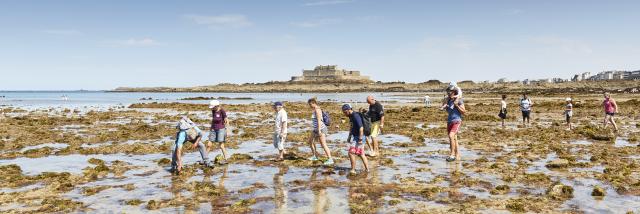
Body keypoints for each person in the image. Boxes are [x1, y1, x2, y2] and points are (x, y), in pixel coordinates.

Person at [342, 104, 370, 174]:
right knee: (361, 154)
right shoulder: (351, 116)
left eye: (345, 112)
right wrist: (349, 136)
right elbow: (352, 127)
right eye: (343, 112)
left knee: (351, 153)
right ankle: (367, 169)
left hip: (359, 137)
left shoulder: (355, 116)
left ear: (349, 109)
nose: (344, 114)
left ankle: (353, 170)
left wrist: (360, 139)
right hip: (356, 137)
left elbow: (361, 128)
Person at [307, 97, 334, 165]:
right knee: (310, 142)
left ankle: (330, 159)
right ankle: (315, 156)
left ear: (314, 103)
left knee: (323, 144)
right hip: (315, 129)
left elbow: (319, 120)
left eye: (310, 104)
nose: (309, 106)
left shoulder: (317, 110)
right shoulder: (314, 109)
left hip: (321, 129)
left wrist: (319, 131)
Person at [443, 87, 466, 162]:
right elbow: (449, 112)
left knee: (451, 135)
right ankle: (456, 155)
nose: (449, 93)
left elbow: (464, 112)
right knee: (452, 139)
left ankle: (452, 155)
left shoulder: (459, 100)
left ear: (454, 92)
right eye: (448, 91)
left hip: (457, 121)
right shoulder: (448, 100)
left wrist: (457, 105)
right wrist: (445, 107)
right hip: (449, 121)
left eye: (450, 91)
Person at [208, 100, 231, 164]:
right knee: (209, 145)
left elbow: (227, 121)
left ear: (216, 106)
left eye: (213, 107)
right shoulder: (213, 111)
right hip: (213, 130)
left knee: (221, 146)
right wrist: (211, 129)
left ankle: (226, 159)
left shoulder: (222, 111)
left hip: (221, 130)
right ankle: (205, 159)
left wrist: (228, 131)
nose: (212, 108)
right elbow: (213, 120)